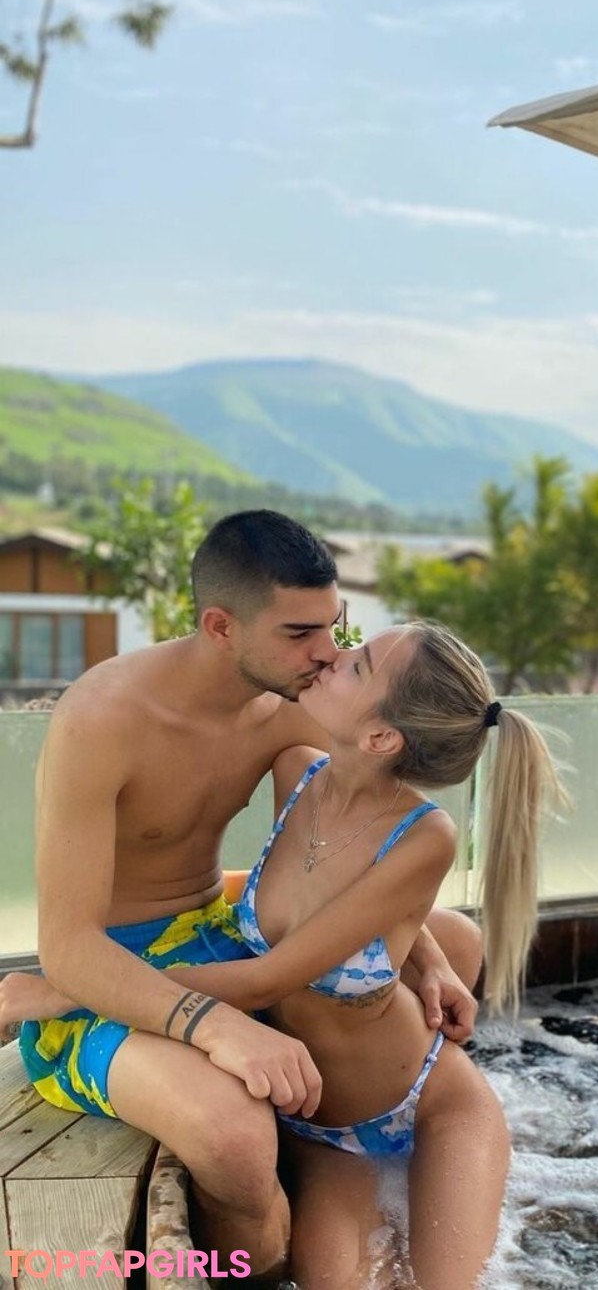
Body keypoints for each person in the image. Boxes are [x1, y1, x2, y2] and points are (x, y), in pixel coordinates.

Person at [0, 511, 480, 1287]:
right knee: (235, 1140)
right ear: (221, 627)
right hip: (112, 970)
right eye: (300, 633)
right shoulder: (104, 719)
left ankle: (342, 1164)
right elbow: (69, 947)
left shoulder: (293, 698)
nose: (327, 654)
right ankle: (252, 1265)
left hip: (217, 935)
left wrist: (425, 958)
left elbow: (365, 839)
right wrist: (215, 1025)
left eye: (335, 628)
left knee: (456, 938)